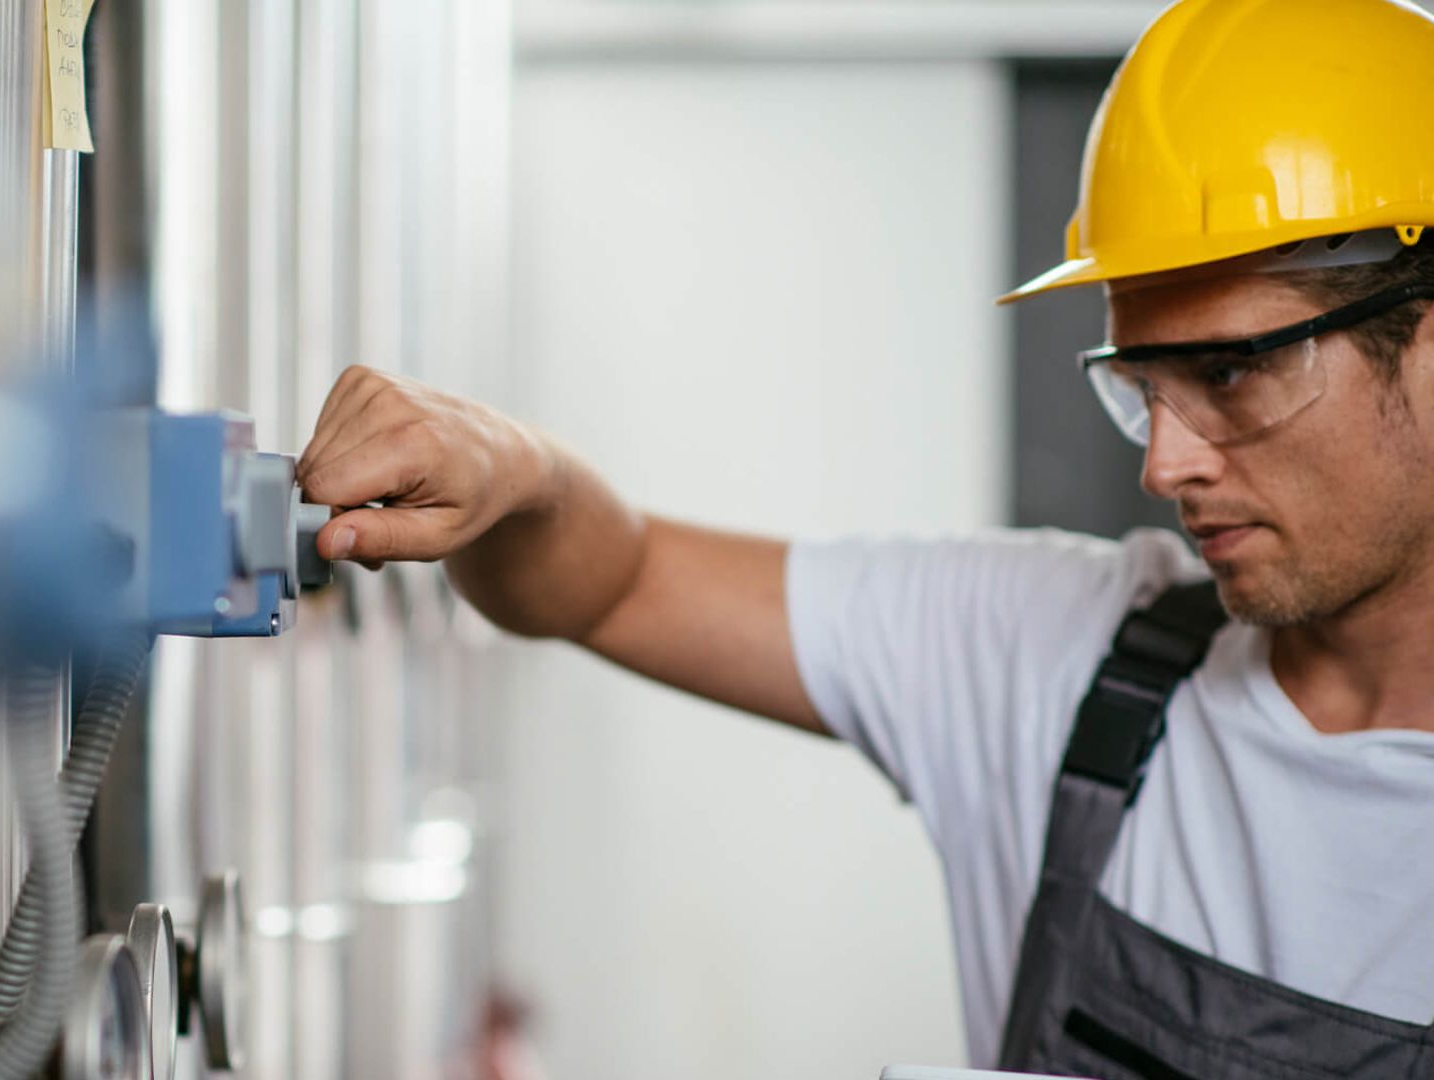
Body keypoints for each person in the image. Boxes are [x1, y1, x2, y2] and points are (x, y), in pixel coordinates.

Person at [295, 0, 1434, 1074]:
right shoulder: (1064, 658)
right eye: (1142, 386)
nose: (1163, 464)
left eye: (1232, 372)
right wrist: (510, 465)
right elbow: (613, 581)